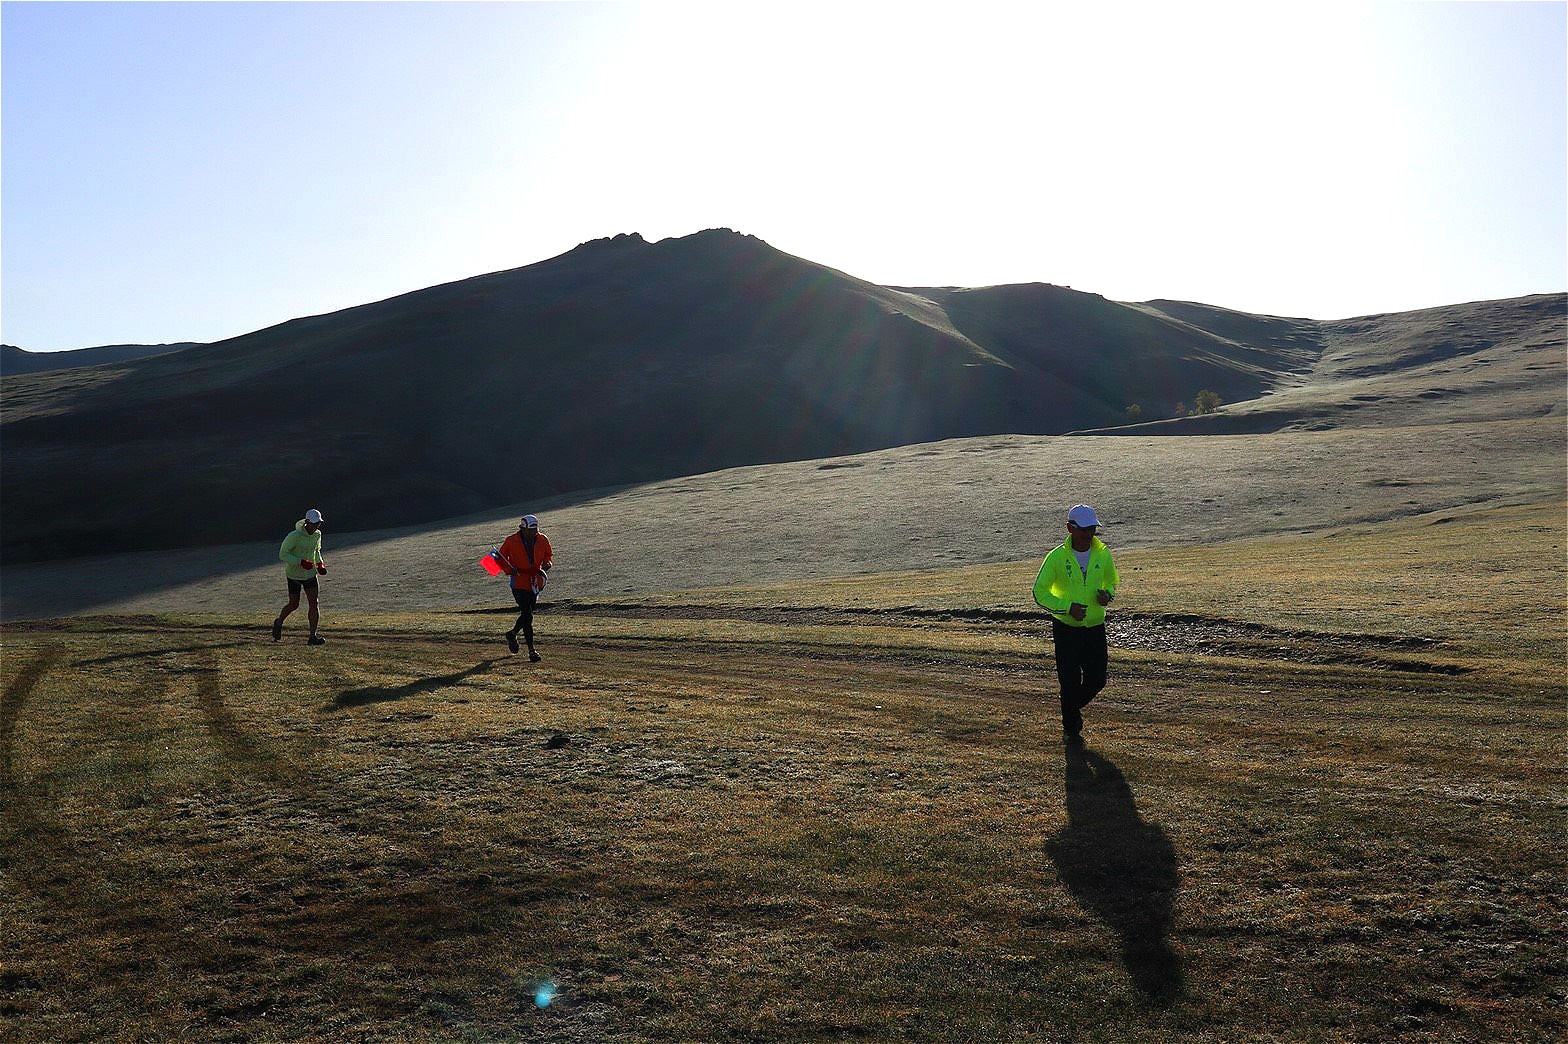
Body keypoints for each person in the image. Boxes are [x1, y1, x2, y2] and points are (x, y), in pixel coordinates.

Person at [1033, 503, 1118, 741]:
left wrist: (1107, 594)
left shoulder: (1103, 553)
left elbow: (1112, 582)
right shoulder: (1056, 557)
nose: (1089, 534)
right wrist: (1067, 609)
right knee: (1069, 681)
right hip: (1066, 629)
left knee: (1098, 679)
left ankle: (1070, 708)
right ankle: (1071, 728)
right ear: (1070, 528)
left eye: (1092, 529)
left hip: (1095, 628)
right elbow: (1039, 592)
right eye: (1084, 529)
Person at [495, 514, 553, 661]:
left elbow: (548, 555)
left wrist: (548, 564)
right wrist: (509, 571)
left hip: (535, 583)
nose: (534, 532)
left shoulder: (542, 539)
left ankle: (512, 633)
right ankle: (532, 651)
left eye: (536, 529)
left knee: (527, 615)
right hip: (518, 583)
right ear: (523, 529)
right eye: (531, 529)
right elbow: (497, 559)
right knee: (528, 615)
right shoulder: (511, 541)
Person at [273, 508, 327, 645]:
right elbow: (283, 554)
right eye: (314, 523)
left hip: (310, 575)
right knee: (293, 604)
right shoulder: (294, 536)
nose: (317, 526)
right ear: (307, 522)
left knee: (314, 603)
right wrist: (300, 562)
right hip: (294, 575)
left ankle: (312, 636)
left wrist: (320, 564)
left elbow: (316, 551)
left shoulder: (317, 535)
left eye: (318, 523)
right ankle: (278, 623)